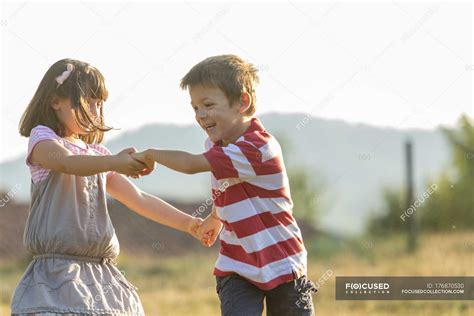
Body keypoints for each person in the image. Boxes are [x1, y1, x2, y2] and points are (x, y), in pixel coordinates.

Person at [11, 58, 203, 315]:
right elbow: (67, 163)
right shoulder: (43, 139)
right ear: (55, 100)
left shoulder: (97, 155)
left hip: (103, 275)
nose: (96, 109)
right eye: (88, 100)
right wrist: (114, 161)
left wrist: (189, 224)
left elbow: (139, 199)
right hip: (56, 274)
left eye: (100, 103)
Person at [133, 54, 317, 315]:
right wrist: (216, 218)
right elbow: (228, 187)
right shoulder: (216, 145)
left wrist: (152, 154)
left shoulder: (258, 147)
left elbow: (190, 165)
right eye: (195, 107)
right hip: (237, 265)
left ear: (242, 101)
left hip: (283, 262)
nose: (200, 115)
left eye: (208, 104)